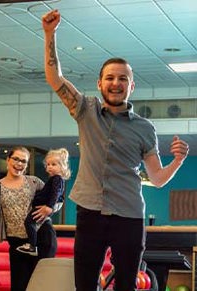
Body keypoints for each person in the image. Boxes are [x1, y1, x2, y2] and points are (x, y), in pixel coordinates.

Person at [42, 9, 190, 291]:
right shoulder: (86, 110)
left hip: (129, 215)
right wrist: (50, 34)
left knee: (126, 285)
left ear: (131, 86)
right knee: (85, 285)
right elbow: (55, 78)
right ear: (100, 84)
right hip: (90, 212)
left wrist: (179, 160)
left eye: (122, 79)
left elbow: (157, 178)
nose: (116, 83)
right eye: (110, 78)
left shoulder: (144, 128)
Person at [0, 146, 58, 291]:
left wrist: (50, 208)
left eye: (23, 161)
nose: (19, 164)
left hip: (41, 237)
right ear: (7, 160)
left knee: (42, 285)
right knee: (19, 286)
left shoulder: (34, 182)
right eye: (16, 159)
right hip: (17, 242)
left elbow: (57, 198)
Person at [17, 148, 71, 256]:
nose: (50, 167)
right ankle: (32, 244)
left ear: (62, 167)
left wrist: (50, 207)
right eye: (48, 164)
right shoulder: (53, 179)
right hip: (41, 206)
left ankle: (32, 245)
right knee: (30, 223)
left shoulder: (57, 179)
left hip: (42, 208)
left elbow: (56, 194)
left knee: (29, 222)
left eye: (54, 164)